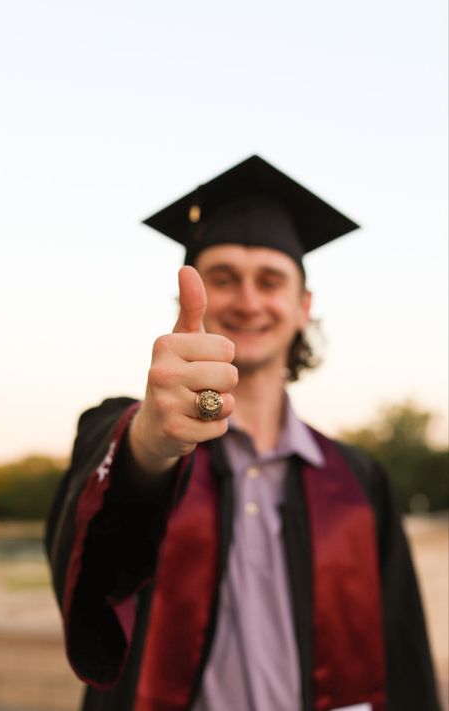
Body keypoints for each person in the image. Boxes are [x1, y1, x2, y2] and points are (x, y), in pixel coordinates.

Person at [46, 155, 441, 711]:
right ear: (191, 298)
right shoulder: (133, 436)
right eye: (224, 278)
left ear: (303, 307)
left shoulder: (357, 478)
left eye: (271, 281)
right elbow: (98, 547)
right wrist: (151, 442)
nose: (249, 300)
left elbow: (402, 654)